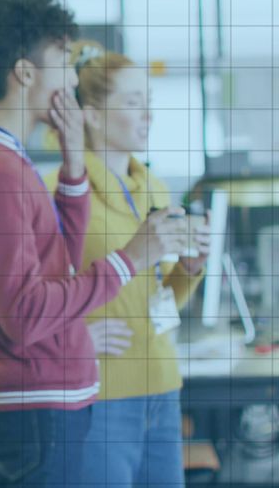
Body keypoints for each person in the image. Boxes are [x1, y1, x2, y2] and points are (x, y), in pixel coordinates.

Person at [0, 0, 190, 486]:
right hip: (38, 409)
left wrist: (74, 165)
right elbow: (26, 316)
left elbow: (59, 266)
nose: (73, 79)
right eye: (63, 61)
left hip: (45, 402)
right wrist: (130, 258)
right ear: (26, 73)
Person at [45, 41, 209, 486]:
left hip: (162, 385)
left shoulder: (153, 186)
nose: (148, 115)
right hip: (101, 391)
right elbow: (31, 296)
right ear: (93, 115)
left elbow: (155, 296)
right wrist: (71, 337)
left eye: (148, 103)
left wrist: (190, 270)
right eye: (134, 103)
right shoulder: (56, 190)